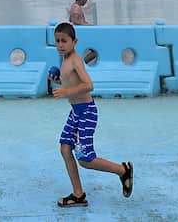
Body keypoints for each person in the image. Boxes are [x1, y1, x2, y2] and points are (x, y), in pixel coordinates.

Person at [50, 22, 134, 207]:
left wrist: (65, 91)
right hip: (76, 112)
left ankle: (123, 170)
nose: (60, 45)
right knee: (65, 149)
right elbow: (72, 82)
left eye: (64, 41)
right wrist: (58, 80)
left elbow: (88, 85)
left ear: (74, 41)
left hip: (87, 112)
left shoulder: (75, 60)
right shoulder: (65, 60)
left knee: (85, 159)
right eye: (57, 41)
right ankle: (78, 194)